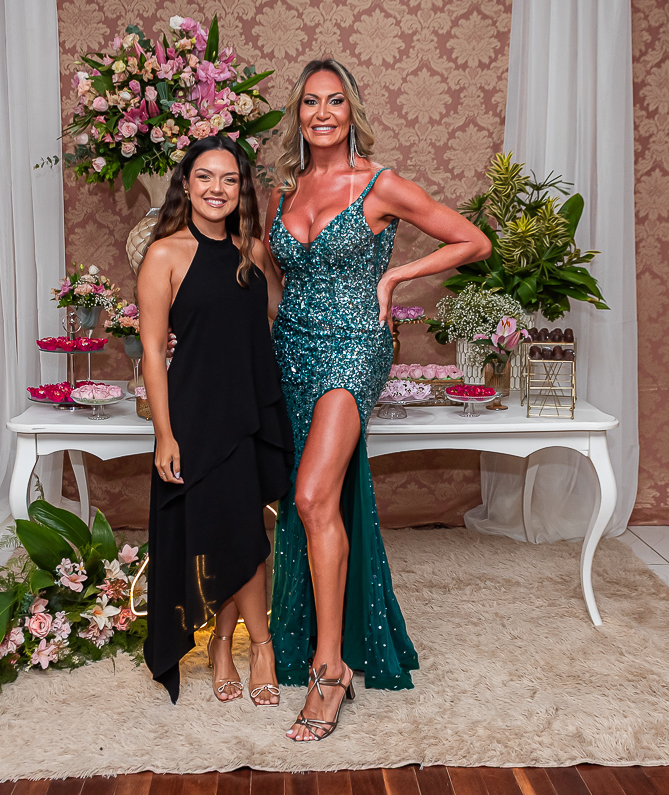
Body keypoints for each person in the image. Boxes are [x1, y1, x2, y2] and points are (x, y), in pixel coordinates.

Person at [264, 59, 492, 741]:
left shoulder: (379, 184)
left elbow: (473, 240)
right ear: (297, 114)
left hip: (353, 347)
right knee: (313, 500)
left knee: (311, 497)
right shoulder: (283, 189)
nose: (322, 113)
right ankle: (315, 639)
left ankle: (330, 669)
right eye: (310, 102)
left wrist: (395, 276)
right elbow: (274, 279)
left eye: (334, 101)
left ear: (351, 111)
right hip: (290, 349)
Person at [138, 135, 293, 706]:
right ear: (186, 183)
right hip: (196, 416)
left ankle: (249, 646)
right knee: (221, 532)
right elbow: (152, 350)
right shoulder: (164, 254)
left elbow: (277, 312)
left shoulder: (252, 250)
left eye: (229, 179)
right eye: (205, 177)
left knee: (245, 533)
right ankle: (231, 647)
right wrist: (165, 434)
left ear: (241, 188)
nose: (216, 189)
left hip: (248, 410)